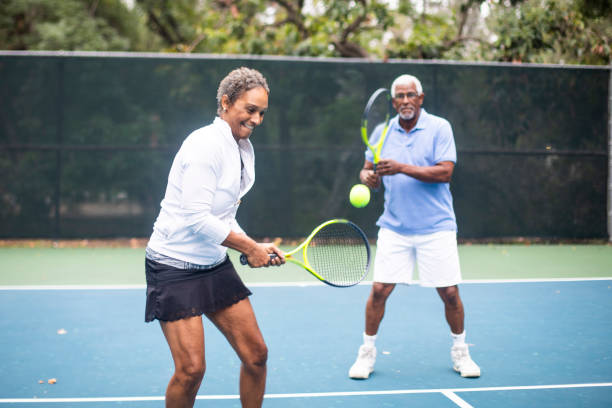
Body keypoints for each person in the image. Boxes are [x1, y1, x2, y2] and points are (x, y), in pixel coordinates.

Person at [144, 67, 285, 408]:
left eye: (262, 112)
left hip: (212, 263)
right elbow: (195, 217)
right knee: (191, 370)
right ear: (226, 102)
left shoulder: (242, 148)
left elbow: (222, 214)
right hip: (173, 265)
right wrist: (249, 248)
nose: (257, 119)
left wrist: (256, 245)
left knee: (256, 356)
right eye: (250, 109)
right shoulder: (205, 145)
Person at [348, 74, 480, 380]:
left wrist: (401, 167)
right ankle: (366, 354)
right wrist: (367, 177)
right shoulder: (382, 132)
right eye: (400, 97)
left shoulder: (439, 128)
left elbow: (445, 172)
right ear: (393, 103)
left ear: (420, 99)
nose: (406, 101)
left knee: (448, 293)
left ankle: (461, 352)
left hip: (437, 227)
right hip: (394, 227)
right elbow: (368, 170)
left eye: (411, 95)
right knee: (379, 291)